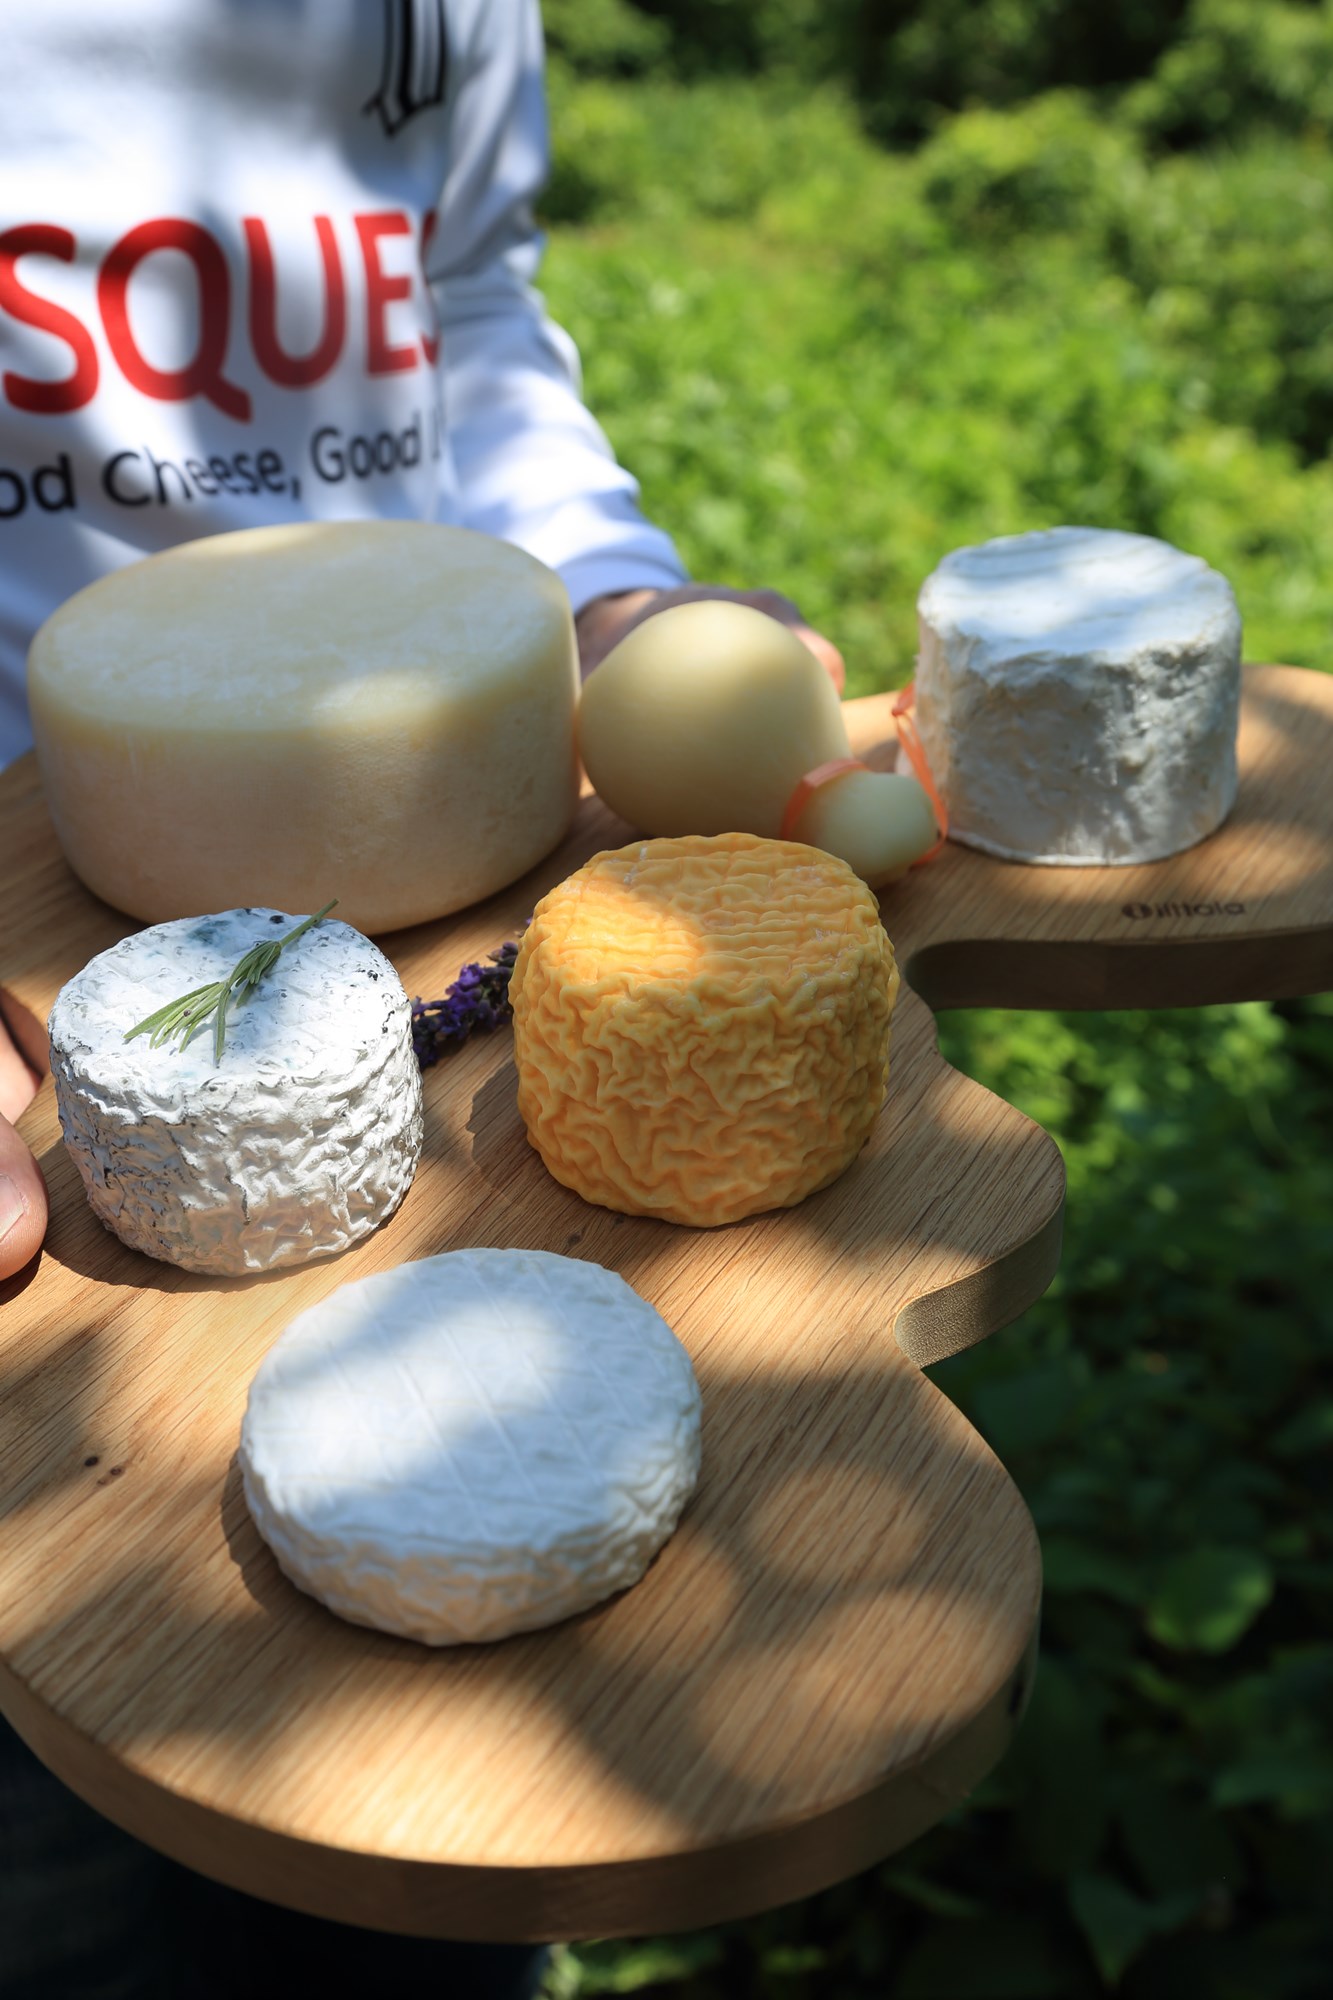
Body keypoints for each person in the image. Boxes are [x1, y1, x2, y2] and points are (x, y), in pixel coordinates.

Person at [0, 2, 844, 1993]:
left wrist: (604, 583)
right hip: (45, 943)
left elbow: (461, 289)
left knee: (443, 1837)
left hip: (459, 827)